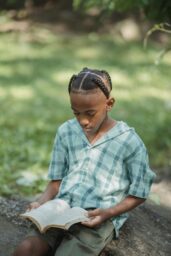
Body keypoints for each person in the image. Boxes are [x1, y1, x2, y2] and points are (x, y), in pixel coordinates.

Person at [13, 67, 156, 256]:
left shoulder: (128, 141)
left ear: (109, 103)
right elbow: (56, 182)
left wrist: (108, 213)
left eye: (90, 113)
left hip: (96, 217)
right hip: (61, 209)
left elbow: (139, 193)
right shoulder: (66, 132)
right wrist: (40, 202)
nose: (83, 121)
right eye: (76, 113)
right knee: (26, 249)